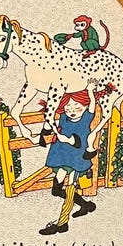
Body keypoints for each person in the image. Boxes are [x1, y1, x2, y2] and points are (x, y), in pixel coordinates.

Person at [39, 79, 98, 235]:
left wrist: (90, 91)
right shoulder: (64, 118)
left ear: (84, 106)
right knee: (56, 189)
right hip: (63, 157)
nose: (72, 111)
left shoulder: (86, 118)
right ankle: (85, 205)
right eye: (68, 107)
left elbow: (75, 141)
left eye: (77, 107)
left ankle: (62, 223)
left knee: (70, 187)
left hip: (77, 159)